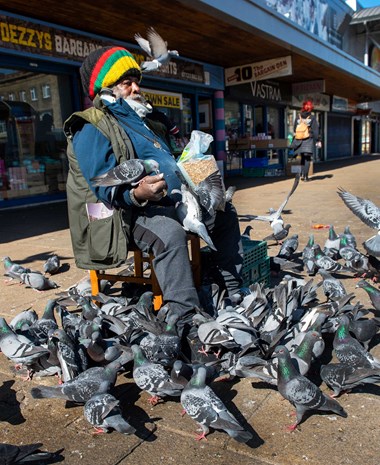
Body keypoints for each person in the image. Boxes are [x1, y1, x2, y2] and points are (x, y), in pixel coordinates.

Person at [64, 46, 245, 330]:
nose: (136, 88)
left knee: (224, 211)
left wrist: (197, 169)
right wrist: (137, 194)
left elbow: (174, 159)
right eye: (127, 83)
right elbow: (102, 186)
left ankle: (233, 287)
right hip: (125, 216)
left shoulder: (147, 122)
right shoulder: (91, 126)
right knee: (168, 232)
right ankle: (183, 315)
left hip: (172, 203)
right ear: (107, 88)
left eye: (137, 81)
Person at [292, 100, 321, 181]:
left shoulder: (298, 117)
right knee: (307, 158)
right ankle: (305, 177)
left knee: (301, 158)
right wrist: (318, 140)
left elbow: (294, 128)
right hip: (308, 140)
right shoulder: (312, 118)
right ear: (310, 108)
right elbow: (316, 131)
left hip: (298, 140)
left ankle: (300, 173)